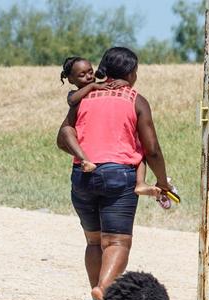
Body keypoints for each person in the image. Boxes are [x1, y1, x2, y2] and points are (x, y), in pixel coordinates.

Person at [56, 47, 172, 300]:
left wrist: (84, 157)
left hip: (82, 175)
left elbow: (62, 137)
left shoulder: (85, 97)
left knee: (94, 241)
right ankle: (103, 292)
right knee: (117, 242)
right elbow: (152, 149)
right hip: (118, 175)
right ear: (131, 73)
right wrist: (163, 182)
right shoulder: (136, 100)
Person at [60, 56, 166, 201]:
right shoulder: (76, 96)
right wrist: (93, 86)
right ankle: (85, 159)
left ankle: (140, 183)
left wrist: (123, 83)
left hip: (84, 179)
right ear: (71, 79)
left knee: (138, 147)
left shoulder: (94, 92)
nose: (89, 77)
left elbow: (60, 142)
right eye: (82, 75)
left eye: (90, 72)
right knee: (139, 147)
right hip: (119, 171)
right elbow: (71, 100)